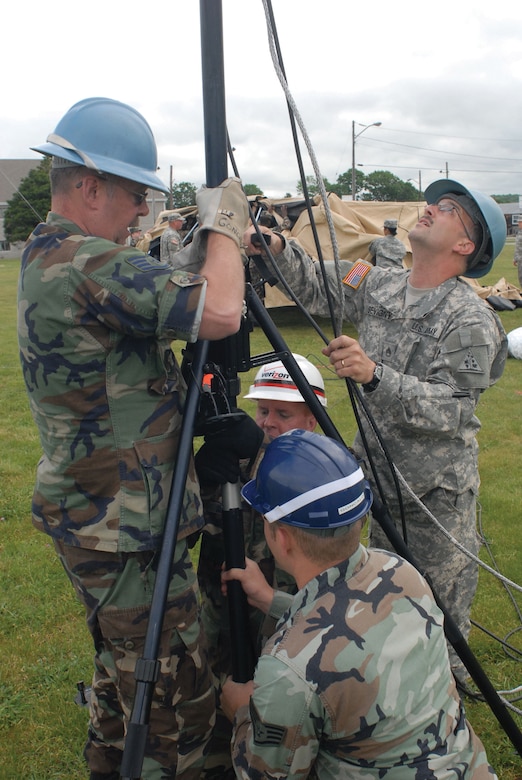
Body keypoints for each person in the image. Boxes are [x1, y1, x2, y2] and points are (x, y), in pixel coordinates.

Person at [17, 97, 249, 780]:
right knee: (172, 701)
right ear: (89, 186)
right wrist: (226, 225)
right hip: (126, 528)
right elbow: (224, 310)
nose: (144, 211)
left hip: (102, 516)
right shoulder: (83, 261)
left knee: (125, 687)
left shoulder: (59, 254)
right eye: (135, 192)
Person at [242, 180, 508, 684]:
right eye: (434, 202)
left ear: (465, 246)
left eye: (448, 209)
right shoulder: (378, 281)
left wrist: (374, 375)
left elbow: (453, 410)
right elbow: (316, 282)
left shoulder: (469, 317)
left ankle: (439, 719)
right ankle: (373, 698)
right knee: (366, 596)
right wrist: (273, 245)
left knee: (435, 613)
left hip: (433, 498)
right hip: (372, 481)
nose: (430, 208)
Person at [220, 429, 497, 779]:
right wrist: (270, 599)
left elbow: (265, 774)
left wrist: (242, 713)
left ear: (282, 537)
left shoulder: (288, 671)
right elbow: (352, 618)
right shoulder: (400, 573)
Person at [194, 355, 327, 778]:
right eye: (262, 410)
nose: (268, 423)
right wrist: (203, 480)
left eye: (282, 414)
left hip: (287, 627)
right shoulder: (237, 460)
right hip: (224, 619)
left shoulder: (320, 478)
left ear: (312, 422)